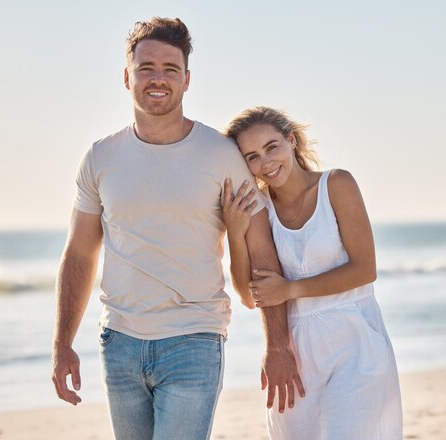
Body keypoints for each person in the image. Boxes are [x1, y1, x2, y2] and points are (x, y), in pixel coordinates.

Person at [51, 19, 304, 440]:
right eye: (146, 67)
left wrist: (278, 345)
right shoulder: (100, 158)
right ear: (126, 76)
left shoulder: (222, 156)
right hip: (119, 342)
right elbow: (79, 253)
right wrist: (62, 344)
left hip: (194, 340)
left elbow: (262, 254)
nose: (158, 79)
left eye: (171, 69)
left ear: (187, 80)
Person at [223, 107, 403, 439]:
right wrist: (235, 234)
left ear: (291, 141)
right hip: (298, 354)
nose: (266, 162)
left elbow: (365, 270)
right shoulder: (259, 208)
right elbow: (251, 296)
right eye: (252, 156)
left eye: (272, 147)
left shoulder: (336, 184)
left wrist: (290, 289)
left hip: (355, 343)